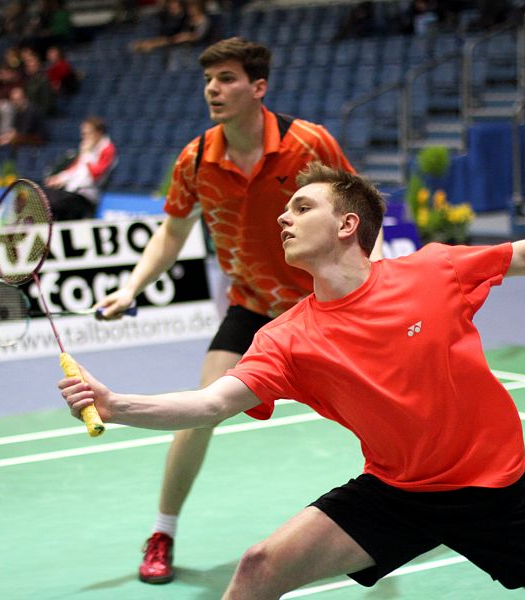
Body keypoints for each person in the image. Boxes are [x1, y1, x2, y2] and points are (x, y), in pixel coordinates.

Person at [62, 162, 525, 599]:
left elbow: (522, 255)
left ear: (347, 225)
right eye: (284, 209)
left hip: (494, 493)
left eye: (300, 206)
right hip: (396, 492)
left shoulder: (432, 271)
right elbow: (210, 403)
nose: (283, 218)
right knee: (258, 568)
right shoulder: (286, 336)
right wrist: (115, 404)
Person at [92, 37, 360, 585]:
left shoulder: (309, 143)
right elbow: (171, 233)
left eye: (228, 78)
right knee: (200, 410)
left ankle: (416, 506)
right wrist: (132, 288)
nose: (214, 88)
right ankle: (162, 532)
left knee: (378, 409)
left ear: (258, 88)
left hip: (322, 304)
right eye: (210, 79)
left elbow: (358, 211)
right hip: (253, 308)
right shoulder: (196, 157)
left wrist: (374, 283)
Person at [44, 116, 117, 220]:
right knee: (46, 195)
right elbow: (75, 169)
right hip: (72, 192)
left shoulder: (108, 149)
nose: (84, 137)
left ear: (98, 133)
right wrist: (59, 178)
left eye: (87, 133)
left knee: (54, 202)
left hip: (87, 197)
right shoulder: (88, 147)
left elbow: (96, 175)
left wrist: (87, 154)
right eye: (83, 133)